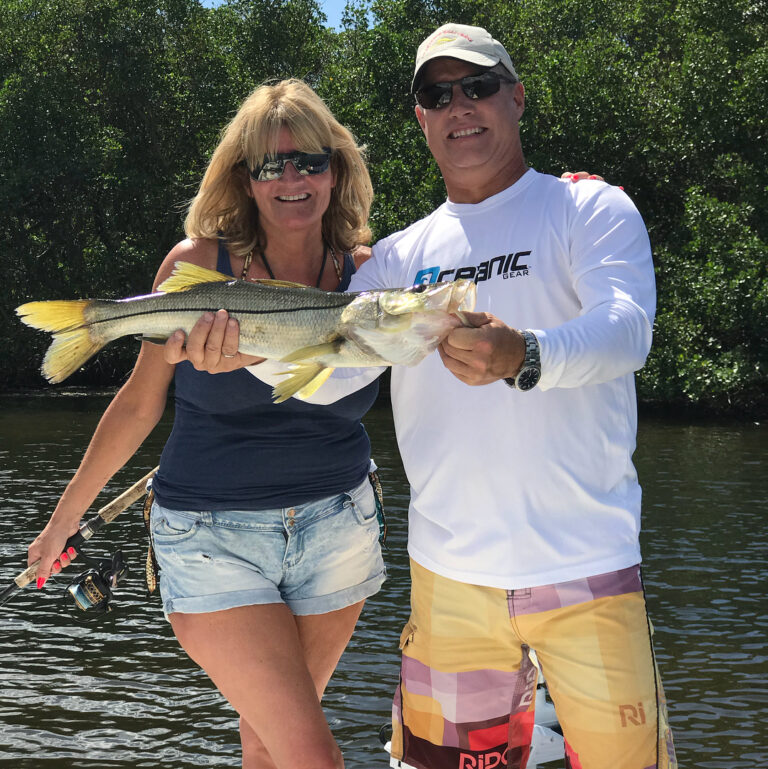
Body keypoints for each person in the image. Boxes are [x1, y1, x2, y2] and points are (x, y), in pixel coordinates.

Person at [215, 23, 675, 769]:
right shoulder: (397, 259)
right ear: (422, 119)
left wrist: (525, 354)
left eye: (478, 85)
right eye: (437, 93)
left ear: (517, 97)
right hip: (449, 581)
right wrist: (238, 354)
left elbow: (626, 331)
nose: (459, 104)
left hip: (588, 571)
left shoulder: (588, 210)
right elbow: (334, 373)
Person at [27, 78, 387, 769]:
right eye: (270, 164)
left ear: (336, 169)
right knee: (313, 755)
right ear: (244, 180)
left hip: (339, 527)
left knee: (269, 744)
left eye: (310, 159)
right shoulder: (196, 265)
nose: (292, 178)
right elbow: (139, 402)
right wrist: (61, 521)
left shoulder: (367, 277)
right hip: (209, 536)